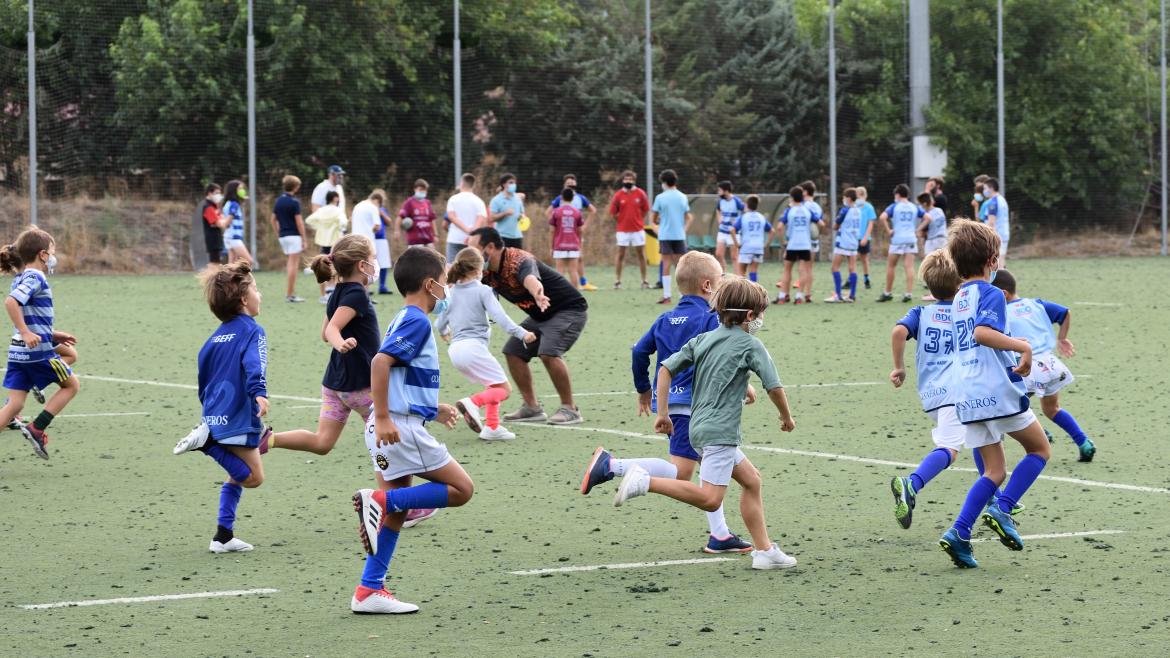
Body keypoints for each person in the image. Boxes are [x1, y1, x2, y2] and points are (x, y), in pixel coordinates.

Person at [610, 278, 798, 570]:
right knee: (711, 499)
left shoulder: (703, 340)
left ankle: (764, 551)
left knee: (752, 480)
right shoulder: (751, 344)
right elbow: (774, 387)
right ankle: (644, 481)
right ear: (750, 316)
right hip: (720, 432)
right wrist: (786, 417)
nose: (761, 319)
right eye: (761, 313)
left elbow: (665, 368)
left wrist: (663, 414)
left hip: (697, 427)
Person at [581, 252, 754, 554]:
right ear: (707, 287)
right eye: (721, 279)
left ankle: (721, 535)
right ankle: (612, 465)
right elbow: (718, 356)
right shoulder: (710, 319)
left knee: (704, 470)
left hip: (671, 402)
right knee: (682, 474)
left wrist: (643, 389)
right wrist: (745, 385)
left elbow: (638, 352)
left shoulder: (664, 319)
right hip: (695, 407)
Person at [350, 246, 475, 614]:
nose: (446, 289)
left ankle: (368, 591)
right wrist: (387, 416)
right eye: (444, 281)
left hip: (393, 423)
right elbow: (380, 362)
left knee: (398, 514)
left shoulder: (404, 317)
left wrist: (432, 409)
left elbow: (402, 373)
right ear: (430, 284)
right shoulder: (418, 320)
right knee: (461, 489)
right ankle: (379, 501)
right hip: (397, 427)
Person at [938, 219, 1050, 569]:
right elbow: (984, 334)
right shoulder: (991, 293)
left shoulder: (958, 298)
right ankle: (1002, 510)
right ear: (992, 260)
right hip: (995, 388)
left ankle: (959, 532)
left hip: (966, 393)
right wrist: (1023, 347)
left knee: (995, 471)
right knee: (1039, 449)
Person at [172, 261, 270, 554]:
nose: (259, 293)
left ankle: (223, 535)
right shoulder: (253, 330)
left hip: (214, 414)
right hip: (238, 416)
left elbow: (203, 381)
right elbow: (255, 363)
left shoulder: (212, 339)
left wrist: (209, 414)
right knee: (253, 477)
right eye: (255, 288)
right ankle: (209, 445)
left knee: (235, 474)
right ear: (243, 299)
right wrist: (259, 393)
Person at [466, 226, 588, 426]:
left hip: (568, 310)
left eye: (473, 248)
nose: (470, 254)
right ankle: (532, 407)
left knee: (548, 352)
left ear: (489, 247)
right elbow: (461, 279)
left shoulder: (518, 259)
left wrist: (538, 294)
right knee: (513, 351)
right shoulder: (486, 271)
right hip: (541, 316)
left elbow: (531, 279)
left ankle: (570, 409)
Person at [887, 250, 964, 529]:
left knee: (983, 435)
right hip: (959, 391)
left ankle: (995, 496)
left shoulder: (921, 312)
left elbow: (898, 332)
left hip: (932, 393)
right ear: (960, 283)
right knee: (950, 448)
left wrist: (900, 367)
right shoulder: (963, 311)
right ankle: (912, 484)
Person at [991, 270, 1096, 462]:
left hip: (1027, 366)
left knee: (1008, 408)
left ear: (1003, 294)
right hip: (1051, 364)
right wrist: (1062, 338)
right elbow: (1065, 313)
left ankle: (1038, 433)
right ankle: (1084, 442)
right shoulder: (1036, 304)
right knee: (1052, 409)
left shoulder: (1001, 312)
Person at [436, 248, 536, 442]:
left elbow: (439, 323)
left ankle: (492, 427)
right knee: (505, 390)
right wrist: (522, 334)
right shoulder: (484, 291)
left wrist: (444, 333)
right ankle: (472, 402)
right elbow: (501, 318)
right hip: (473, 348)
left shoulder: (451, 292)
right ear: (476, 269)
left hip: (456, 351)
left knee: (493, 385)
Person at [0, 227, 81, 459]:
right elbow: (10, 303)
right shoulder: (36, 276)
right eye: (52, 251)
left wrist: (53, 334)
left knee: (14, 406)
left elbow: (29, 313)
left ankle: (34, 421)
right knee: (71, 385)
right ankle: (37, 429)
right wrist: (26, 332)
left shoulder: (21, 277)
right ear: (43, 254)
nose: (53, 256)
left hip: (18, 354)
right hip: (38, 353)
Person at [773, 186, 823, 305]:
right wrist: (815, 235)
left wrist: (783, 242)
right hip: (805, 244)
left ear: (791, 198)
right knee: (803, 270)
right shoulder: (807, 211)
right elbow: (821, 223)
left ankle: (782, 296)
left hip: (792, 244)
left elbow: (779, 227)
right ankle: (799, 297)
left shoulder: (789, 210)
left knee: (787, 270)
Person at [650, 169, 693, 305]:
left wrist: (658, 231)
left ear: (664, 182)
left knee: (666, 265)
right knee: (680, 266)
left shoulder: (660, 198)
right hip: (679, 236)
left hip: (665, 236)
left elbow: (652, 219)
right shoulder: (682, 197)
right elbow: (689, 218)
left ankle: (667, 297)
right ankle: (683, 296)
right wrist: (683, 231)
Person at [550, 174, 598, 291]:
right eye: (568, 184)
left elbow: (593, 211)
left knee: (562, 269)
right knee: (573, 268)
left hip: (566, 238)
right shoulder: (572, 208)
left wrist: (584, 226)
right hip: (571, 238)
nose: (571, 185)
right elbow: (549, 213)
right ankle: (575, 293)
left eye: (572, 183)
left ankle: (581, 283)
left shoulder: (579, 199)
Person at [876, 184, 924, 303]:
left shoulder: (894, 206)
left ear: (897, 194)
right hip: (910, 239)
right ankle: (908, 294)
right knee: (909, 267)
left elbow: (882, 217)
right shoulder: (914, 207)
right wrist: (918, 230)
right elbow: (928, 217)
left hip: (897, 240)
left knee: (891, 266)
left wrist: (889, 231)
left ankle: (887, 293)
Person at [608, 170, 650, 289]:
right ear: (623, 180)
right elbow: (613, 213)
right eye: (626, 179)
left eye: (631, 179)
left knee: (641, 254)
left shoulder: (640, 193)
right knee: (620, 254)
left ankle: (645, 281)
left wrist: (638, 219)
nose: (628, 181)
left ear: (634, 181)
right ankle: (617, 281)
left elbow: (645, 210)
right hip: (622, 230)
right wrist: (621, 221)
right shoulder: (618, 195)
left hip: (638, 230)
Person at [305, 190, 349, 303]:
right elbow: (343, 223)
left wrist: (319, 227)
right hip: (335, 242)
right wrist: (339, 228)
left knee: (323, 266)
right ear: (335, 198)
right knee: (336, 267)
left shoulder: (321, 210)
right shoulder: (338, 211)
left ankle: (326, 294)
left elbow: (309, 220)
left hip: (323, 242)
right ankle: (334, 293)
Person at [270, 175, 306, 303]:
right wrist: (304, 238)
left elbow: (272, 219)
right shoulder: (294, 202)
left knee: (290, 264)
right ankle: (290, 295)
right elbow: (299, 222)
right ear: (295, 187)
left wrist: (278, 232)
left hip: (283, 237)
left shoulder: (279, 200)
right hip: (294, 236)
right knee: (293, 265)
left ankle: (290, 293)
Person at [825, 187, 862, 303]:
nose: (843, 199)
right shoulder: (858, 210)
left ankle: (838, 296)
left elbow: (835, 226)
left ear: (849, 198)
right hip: (854, 242)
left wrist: (838, 226)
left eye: (844, 197)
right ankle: (852, 295)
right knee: (852, 268)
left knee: (835, 267)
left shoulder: (845, 210)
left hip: (843, 242)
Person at [445, 173, 487, 264]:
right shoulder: (479, 201)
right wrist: (472, 233)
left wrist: (466, 230)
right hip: (473, 241)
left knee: (451, 268)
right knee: (471, 270)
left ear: (461, 183)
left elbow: (451, 217)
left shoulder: (453, 199)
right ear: (474, 185)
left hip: (455, 239)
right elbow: (482, 220)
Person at [350, 190, 386, 297]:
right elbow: (377, 226)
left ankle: (361, 294)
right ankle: (364, 296)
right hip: (366, 242)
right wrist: (372, 231)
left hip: (354, 240)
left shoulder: (357, 206)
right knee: (367, 268)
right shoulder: (373, 207)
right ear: (377, 200)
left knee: (357, 268)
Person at [549, 188, 585, 288]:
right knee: (573, 271)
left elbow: (552, 230)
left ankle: (560, 295)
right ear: (572, 198)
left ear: (562, 197)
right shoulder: (577, 212)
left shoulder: (556, 212)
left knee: (560, 271)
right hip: (574, 245)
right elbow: (580, 230)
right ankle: (576, 295)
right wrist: (580, 246)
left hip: (559, 245)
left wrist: (551, 247)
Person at [729, 195, 770, 282]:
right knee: (753, 270)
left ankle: (742, 293)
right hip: (758, 248)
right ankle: (754, 292)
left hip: (746, 247)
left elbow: (732, 230)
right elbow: (772, 231)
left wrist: (736, 244)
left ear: (746, 205)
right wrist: (766, 244)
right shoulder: (761, 217)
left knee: (741, 271)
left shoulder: (744, 217)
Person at [916, 192, 947, 301]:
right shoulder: (940, 211)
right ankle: (946, 292)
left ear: (924, 204)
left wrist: (918, 231)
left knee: (930, 268)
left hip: (932, 241)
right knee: (943, 267)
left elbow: (921, 233)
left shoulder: (926, 215)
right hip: (943, 239)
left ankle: (933, 294)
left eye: (920, 204)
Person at [398, 179, 438, 250]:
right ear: (415, 189)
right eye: (420, 189)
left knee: (432, 258)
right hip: (415, 240)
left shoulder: (427, 202)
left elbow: (432, 219)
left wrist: (435, 235)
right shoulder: (409, 202)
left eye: (424, 190)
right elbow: (400, 217)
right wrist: (397, 231)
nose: (422, 191)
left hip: (428, 239)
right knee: (416, 260)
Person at [489, 173, 526, 249]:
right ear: (504, 184)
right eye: (511, 183)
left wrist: (522, 216)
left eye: (514, 183)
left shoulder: (518, 198)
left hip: (517, 236)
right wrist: (505, 213)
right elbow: (492, 218)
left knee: (517, 260)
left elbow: (522, 213)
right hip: (502, 236)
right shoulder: (496, 200)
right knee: (503, 260)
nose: (513, 185)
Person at [221, 180, 253, 264]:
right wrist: (222, 224)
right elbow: (227, 222)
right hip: (233, 237)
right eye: (240, 188)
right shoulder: (234, 205)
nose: (242, 190)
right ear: (234, 190)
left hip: (229, 237)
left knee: (232, 264)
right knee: (249, 261)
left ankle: (227, 277)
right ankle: (242, 277)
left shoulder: (229, 203)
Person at [715, 181, 745, 268]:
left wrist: (738, 223)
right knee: (718, 254)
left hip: (733, 233)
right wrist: (719, 219)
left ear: (726, 191)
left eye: (720, 190)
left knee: (734, 257)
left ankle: (738, 279)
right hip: (722, 231)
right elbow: (718, 210)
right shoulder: (721, 201)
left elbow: (745, 211)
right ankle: (723, 276)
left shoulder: (736, 201)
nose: (718, 192)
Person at [983, 178, 1010, 265]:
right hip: (1004, 234)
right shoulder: (1002, 200)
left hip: (997, 236)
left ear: (991, 188)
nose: (984, 191)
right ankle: (1004, 277)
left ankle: (1000, 278)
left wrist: (987, 237)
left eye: (985, 188)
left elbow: (991, 222)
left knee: (996, 263)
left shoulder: (993, 203)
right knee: (1001, 260)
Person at [201, 183, 228, 266]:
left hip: (217, 237)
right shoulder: (208, 207)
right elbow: (218, 223)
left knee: (216, 262)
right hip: (213, 239)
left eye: (219, 193)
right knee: (214, 262)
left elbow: (221, 219)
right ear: (210, 193)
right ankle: (209, 278)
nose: (219, 195)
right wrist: (228, 221)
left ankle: (212, 277)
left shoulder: (214, 206)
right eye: (216, 193)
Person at [856, 186, 877, 289]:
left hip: (863, 237)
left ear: (865, 195)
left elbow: (871, 223)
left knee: (864, 259)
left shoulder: (869, 207)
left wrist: (865, 237)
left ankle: (866, 280)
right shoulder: (854, 206)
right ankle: (851, 280)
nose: (859, 197)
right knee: (852, 259)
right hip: (853, 237)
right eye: (858, 195)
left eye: (861, 194)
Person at [375, 197, 395, 295]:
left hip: (381, 239)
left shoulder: (382, 210)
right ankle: (366, 287)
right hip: (370, 238)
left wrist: (382, 214)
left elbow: (389, 222)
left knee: (384, 263)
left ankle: (382, 286)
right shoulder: (368, 209)